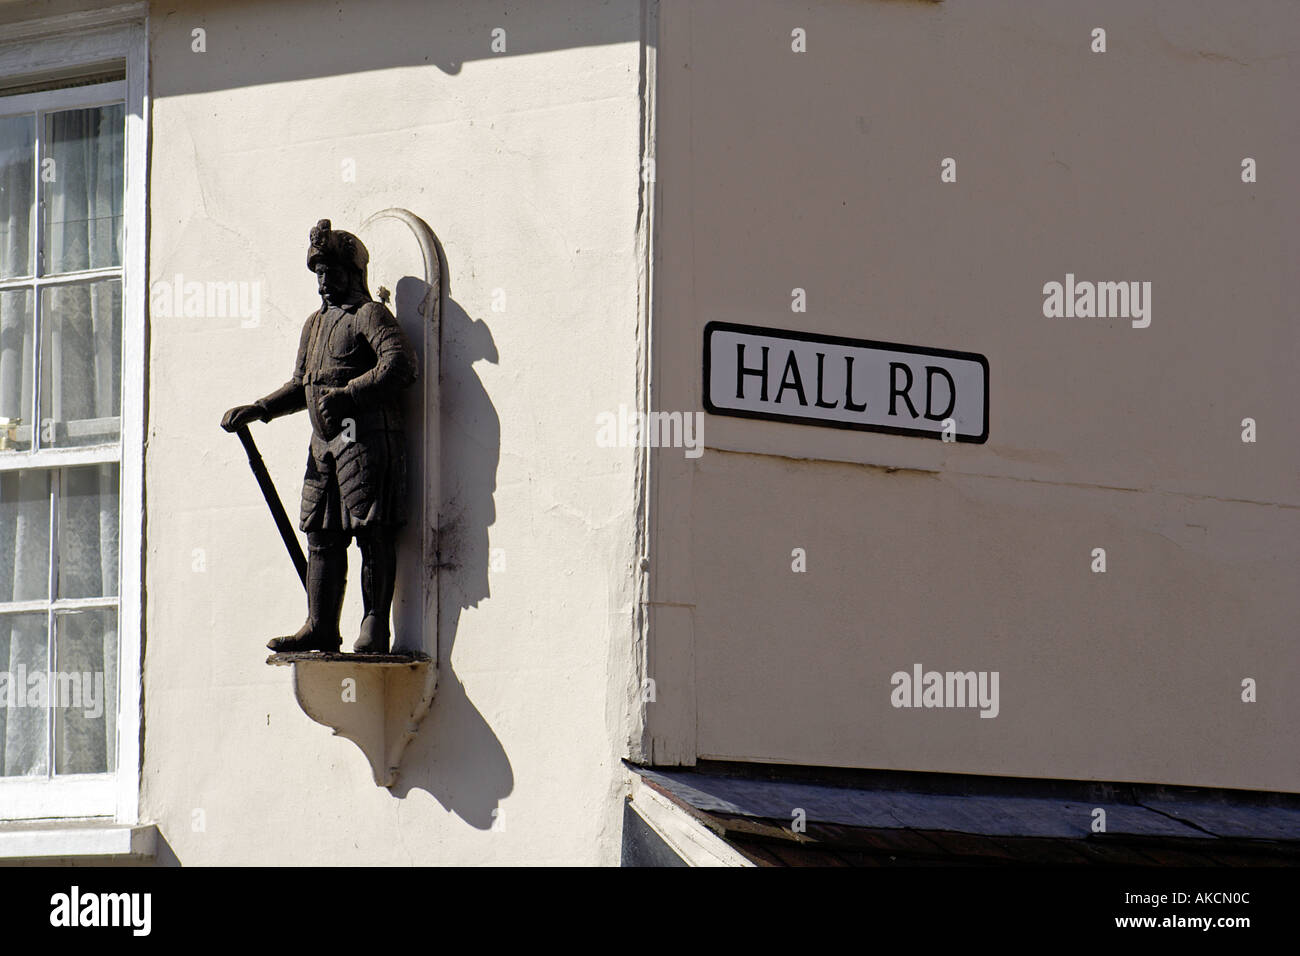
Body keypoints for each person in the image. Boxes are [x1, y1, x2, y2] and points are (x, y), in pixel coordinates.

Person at [222, 219, 417, 654]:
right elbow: (303, 383)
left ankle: (374, 626)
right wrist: (263, 408)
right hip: (323, 446)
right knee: (322, 535)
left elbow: (401, 365)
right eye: (319, 274)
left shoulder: (369, 315)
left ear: (353, 273)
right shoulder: (314, 325)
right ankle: (321, 624)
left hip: (364, 440)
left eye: (332, 272)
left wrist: (350, 396)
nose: (324, 282)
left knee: (372, 532)